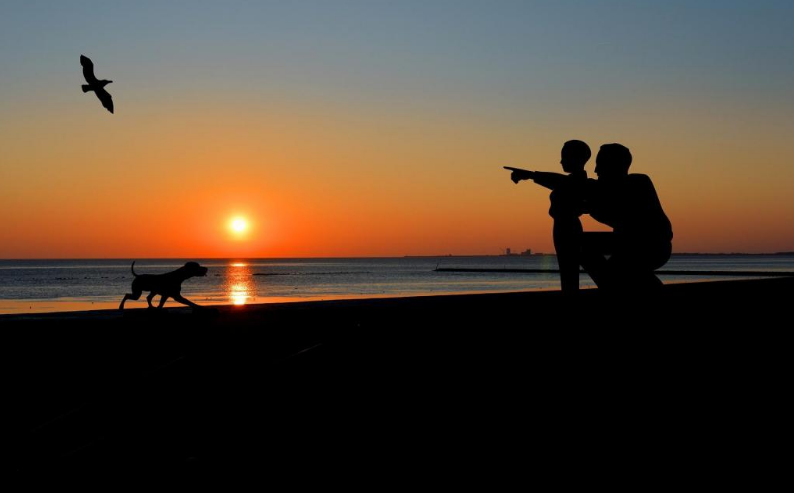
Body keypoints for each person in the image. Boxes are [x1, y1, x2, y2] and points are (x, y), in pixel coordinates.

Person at [580, 143, 673, 291]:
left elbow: (610, 202)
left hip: (649, 247)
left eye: (600, 165)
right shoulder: (609, 189)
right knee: (620, 274)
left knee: (584, 246)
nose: (596, 170)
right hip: (629, 246)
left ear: (615, 165)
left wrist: (589, 205)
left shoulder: (637, 182)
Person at [505, 140, 591, 293]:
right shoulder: (570, 182)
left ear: (576, 159)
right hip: (561, 226)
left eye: (564, 157)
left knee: (568, 267)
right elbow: (557, 182)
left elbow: (560, 182)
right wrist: (531, 176)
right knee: (566, 268)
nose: (561, 161)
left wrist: (531, 175)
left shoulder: (577, 181)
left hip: (568, 226)